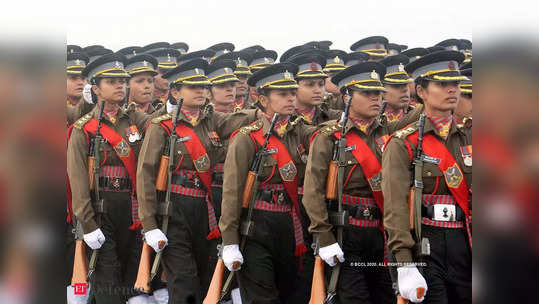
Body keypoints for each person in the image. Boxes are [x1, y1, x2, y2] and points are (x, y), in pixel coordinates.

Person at [136, 58, 258, 304]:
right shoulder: (161, 127)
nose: (201, 91)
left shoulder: (211, 120)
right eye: (194, 87)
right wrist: (149, 224)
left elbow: (240, 120)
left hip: (206, 209)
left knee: (205, 278)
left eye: (203, 86)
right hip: (174, 209)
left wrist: (263, 108)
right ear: (175, 91)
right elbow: (145, 175)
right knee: (184, 282)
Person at [302, 61, 421, 304]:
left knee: (386, 296)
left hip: (382, 233)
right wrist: (324, 238)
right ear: (346, 96)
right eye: (367, 93)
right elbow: (312, 193)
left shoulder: (389, 132)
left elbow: (422, 114)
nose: (376, 98)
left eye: (378, 92)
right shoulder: (329, 137)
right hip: (347, 233)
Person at [67, 53, 166, 304]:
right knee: (106, 281)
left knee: (131, 285)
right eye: (111, 81)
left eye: (122, 80)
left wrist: (175, 103)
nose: (120, 86)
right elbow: (78, 183)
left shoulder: (135, 119)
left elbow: (162, 125)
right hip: (101, 212)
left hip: (132, 212)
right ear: (96, 88)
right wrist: (87, 224)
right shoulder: (83, 129)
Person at [219, 62, 317, 303]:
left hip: (292, 225)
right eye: (282, 94)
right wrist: (229, 241)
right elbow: (232, 192)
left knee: (294, 294)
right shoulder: (246, 138)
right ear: (263, 99)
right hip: (257, 226)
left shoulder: (300, 133)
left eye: (293, 93)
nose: (291, 99)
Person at [382, 50, 472, 303]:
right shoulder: (403, 143)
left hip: (467, 242)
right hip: (426, 245)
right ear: (421, 91)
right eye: (442, 84)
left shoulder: (473, 136)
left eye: (455, 83)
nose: (452, 89)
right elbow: (395, 207)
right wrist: (404, 263)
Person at [379, 54, 416, 122]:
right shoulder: (371, 120)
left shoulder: (418, 115)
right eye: (396, 86)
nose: (405, 89)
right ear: (381, 91)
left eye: (406, 84)